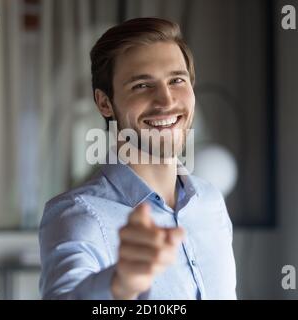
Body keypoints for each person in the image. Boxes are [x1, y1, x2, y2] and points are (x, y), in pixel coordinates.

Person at [39, 17, 237, 300]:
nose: (167, 101)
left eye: (177, 80)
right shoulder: (79, 215)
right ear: (105, 103)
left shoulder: (211, 202)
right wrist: (120, 284)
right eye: (142, 85)